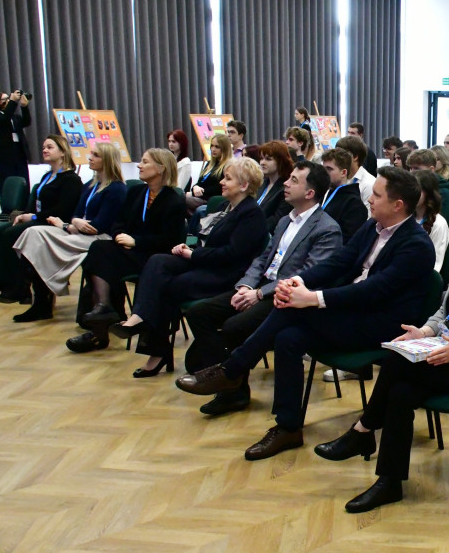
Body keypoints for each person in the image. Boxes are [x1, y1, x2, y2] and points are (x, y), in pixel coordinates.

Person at [174, 166, 437, 461]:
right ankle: (287, 427)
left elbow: (373, 291)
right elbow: (338, 263)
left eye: (376, 195)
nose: (369, 199)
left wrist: (313, 298)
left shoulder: (416, 245)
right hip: (350, 311)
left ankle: (233, 370)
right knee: (288, 336)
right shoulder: (372, 225)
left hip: (382, 324)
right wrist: (300, 282)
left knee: (292, 311)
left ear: (398, 205)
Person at [314, 191, 449, 512]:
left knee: (396, 361)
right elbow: (445, 311)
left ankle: (363, 431)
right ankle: (389, 482)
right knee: (401, 391)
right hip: (445, 353)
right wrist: (426, 331)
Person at [183, 160, 343, 415]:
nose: (286, 184)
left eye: (293, 181)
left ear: (310, 193)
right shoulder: (284, 221)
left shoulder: (327, 229)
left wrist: (260, 294)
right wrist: (246, 285)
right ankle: (230, 383)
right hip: (258, 286)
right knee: (198, 312)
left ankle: (229, 384)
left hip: (284, 297)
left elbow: (308, 276)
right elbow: (262, 258)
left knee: (235, 326)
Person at [109, 157, 267, 377]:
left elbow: (232, 254)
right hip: (206, 263)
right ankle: (140, 318)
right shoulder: (225, 206)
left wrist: (194, 254)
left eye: (228, 178)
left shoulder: (251, 213)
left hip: (227, 275)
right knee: (157, 261)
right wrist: (189, 246)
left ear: (244, 185)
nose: (221, 182)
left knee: (168, 285)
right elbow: (203, 237)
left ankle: (156, 349)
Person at [66, 149, 186, 353]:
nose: (139, 165)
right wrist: (120, 235)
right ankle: (104, 308)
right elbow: (118, 222)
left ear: (160, 168)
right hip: (129, 250)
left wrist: (136, 241)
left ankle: (99, 330)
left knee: (104, 262)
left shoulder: (173, 199)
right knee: (99, 251)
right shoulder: (136, 192)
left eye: (145, 162)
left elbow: (170, 240)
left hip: (152, 256)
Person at [11, 142, 127, 322]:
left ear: (106, 160)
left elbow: (100, 225)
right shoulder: (90, 184)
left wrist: (73, 225)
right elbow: (76, 214)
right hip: (78, 231)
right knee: (33, 233)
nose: (90, 158)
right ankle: (39, 295)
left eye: (95, 155)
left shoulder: (117, 188)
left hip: (99, 238)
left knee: (43, 241)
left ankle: (42, 294)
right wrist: (74, 223)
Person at [0, 135, 83, 303]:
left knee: (10, 235)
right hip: (38, 218)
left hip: (53, 222)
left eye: (50, 147)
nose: (45, 150)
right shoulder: (47, 176)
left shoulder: (71, 179)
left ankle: (19, 288)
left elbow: (63, 210)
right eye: (43, 147)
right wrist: (23, 215)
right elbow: (35, 202)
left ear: (63, 152)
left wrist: (33, 216)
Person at [0, 89, 32, 202]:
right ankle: (8, 207)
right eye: (5, 99)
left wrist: (24, 106)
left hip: (19, 151)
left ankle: (25, 204)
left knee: (23, 179)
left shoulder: (15, 116)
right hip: (6, 154)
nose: (8, 101)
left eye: (8, 98)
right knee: (7, 180)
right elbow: (4, 120)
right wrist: (13, 101)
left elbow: (27, 122)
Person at [319, 147, 369, 243]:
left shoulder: (354, 204)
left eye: (329, 169)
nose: (324, 173)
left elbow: (346, 242)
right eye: (323, 168)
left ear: (343, 172)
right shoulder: (324, 194)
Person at [414, 170, 449, 270]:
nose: (412, 194)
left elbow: (435, 266)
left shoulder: (438, 223)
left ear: (429, 193)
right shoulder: (407, 217)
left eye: (418, 190)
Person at [407, 148, 449, 224]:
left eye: (417, 168)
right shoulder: (413, 189)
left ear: (431, 170)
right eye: (410, 168)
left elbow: (443, 225)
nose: (411, 172)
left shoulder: (445, 194)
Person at [255, 140, 295, 233]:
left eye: (268, 159)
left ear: (281, 161)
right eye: (261, 158)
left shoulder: (286, 188)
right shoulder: (263, 183)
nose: (262, 163)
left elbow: (276, 221)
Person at [186, 133, 231, 213]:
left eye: (217, 147)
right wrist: (195, 187)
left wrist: (199, 192)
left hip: (210, 200)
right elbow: (199, 182)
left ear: (224, 149)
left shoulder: (227, 166)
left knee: (180, 199)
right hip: (200, 197)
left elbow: (218, 189)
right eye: (212, 146)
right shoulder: (210, 164)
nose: (213, 149)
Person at [335, 135, 375, 205]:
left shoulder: (368, 184)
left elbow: (369, 215)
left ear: (355, 157)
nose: (336, 158)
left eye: (340, 154)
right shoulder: (337, 178)